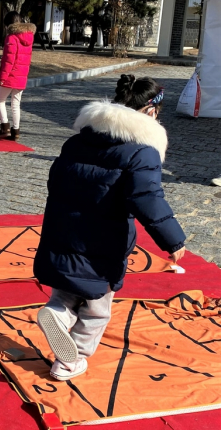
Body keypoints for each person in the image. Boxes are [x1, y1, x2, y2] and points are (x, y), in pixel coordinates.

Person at [33, 74, 186, 382]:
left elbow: (56, 182)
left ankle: (57, 313)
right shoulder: (143, 152)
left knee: (69, 288)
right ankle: (70, 360)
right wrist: (173, 240)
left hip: (63, 230)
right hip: (105, 239)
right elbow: (147, 198)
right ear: (150, 112)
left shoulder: (77, 140)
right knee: (96, 307)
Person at [0, 11, 35, 141]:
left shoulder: (11, 38)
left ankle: (4, 127)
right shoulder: (28, 37)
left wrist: (2, 78)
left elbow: (8, 60)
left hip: (11, 75)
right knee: (15, 104)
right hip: (22, 75)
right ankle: (16, 131)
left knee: (0, 100)